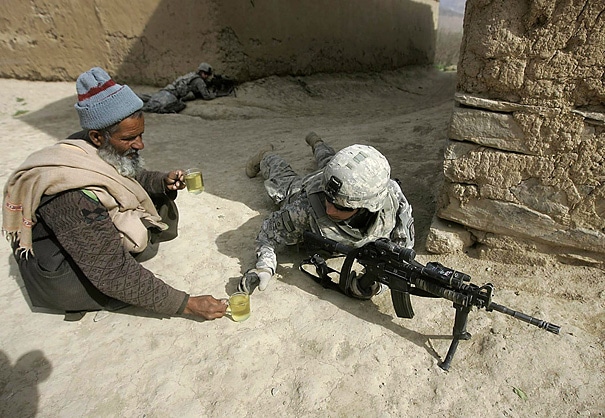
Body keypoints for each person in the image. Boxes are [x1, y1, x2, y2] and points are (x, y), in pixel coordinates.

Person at [2, 67, 228, 321]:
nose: (140, 144)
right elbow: (112, 272)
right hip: (61, 271)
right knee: (112, 286)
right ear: (97, 137)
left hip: (83, 239)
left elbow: (125, 176)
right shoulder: (70, 193)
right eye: (130, 138)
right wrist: (186, 304)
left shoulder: (97, 147)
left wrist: (160, 182)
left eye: (141, 134)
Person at [239, 132, 415, 298]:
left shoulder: (391, 197)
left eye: (341, 207)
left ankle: (317, 143)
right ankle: (266, 156)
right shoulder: (305, 209)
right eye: (327, 201)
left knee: (327, 159)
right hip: (305, 187)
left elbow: (402, 248)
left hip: (332, 178)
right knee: (282, 180)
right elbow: (268, 233)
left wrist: (378, 283)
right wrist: (265, 266)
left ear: (368, 206)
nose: (330, 210)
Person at [140, 62, 235, 114]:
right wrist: (216, 94)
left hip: (167, 90)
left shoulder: (192, 75)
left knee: (149, 99)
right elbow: (206, 96)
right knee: (153, 107)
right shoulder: (199, 81)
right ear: (202, 73)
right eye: (206, 74)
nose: (207, 76)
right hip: (171, 95)